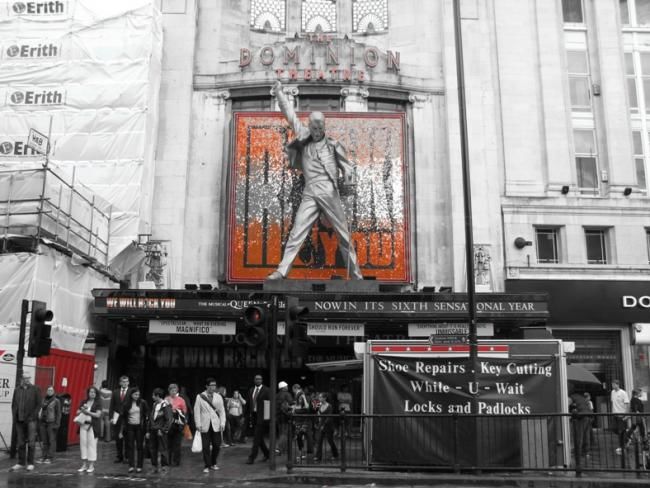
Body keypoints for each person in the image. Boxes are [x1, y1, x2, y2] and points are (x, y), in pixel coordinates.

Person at [267, 79, 363, 281]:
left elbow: (346, 166)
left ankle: (355, 274)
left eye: (319, 127)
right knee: (297, 231)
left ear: (323, 127)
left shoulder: (333, 145)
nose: (316, 130)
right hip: (310, 191)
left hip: (328, 191)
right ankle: (282, 271)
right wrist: (279, 93)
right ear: (309, 126)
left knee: (343, 233)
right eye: (313, 126)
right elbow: (289, 114)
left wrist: (348, 175)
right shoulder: (303, 136)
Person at [194, 377, 226, 473]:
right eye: (211, 385)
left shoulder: (218, 397)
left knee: (217, 445)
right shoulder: (199, 397)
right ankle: (207, 465)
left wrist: (223, 422)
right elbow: (197, 411)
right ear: (207, 386)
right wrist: (198, 424)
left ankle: (213, 462)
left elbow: (222, 411)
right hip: (204, 424)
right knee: (206, 446)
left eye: (214, 385)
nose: (213, 387)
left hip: (216, 424)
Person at [10, 372, 41, 471]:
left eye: (28, 378)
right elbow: (14, 404)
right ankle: (21, 463)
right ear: (22, 379)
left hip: (31, 420)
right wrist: (14, 415)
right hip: (19, 419)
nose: (27, 380)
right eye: (25, 378)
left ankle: (31, 463)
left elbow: (39, 404)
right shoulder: (17, 390)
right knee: (20, 442)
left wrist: (34, 416)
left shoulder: (35, 389)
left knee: (31, 442)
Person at [122, 387, 149, 473]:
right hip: (130, 426)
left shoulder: (143, 403)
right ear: (131, 395)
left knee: (140, 446)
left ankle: (139, 466)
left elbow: (147, 413)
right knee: (130, 446)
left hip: (139, 427)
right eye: (135, 394)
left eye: (138, 394)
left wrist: (147, 427)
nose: (137, 396)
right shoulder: (127, 404)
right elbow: (123, 416)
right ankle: (131, 465)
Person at [146, 387, 172, 474]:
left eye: (153, 395)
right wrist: (148, 430)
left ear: (157, 396)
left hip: (160, 431)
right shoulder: (154, 405)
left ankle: (164, 466)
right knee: (152, 448)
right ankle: (154, 466)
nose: (152, 397)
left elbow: (169, 420)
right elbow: (151, 418)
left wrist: (163, 430)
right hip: (153, 430)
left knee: (163, 449)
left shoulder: (166, 406)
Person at [76, 386, 102, 474]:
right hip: (83, 425)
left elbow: (98, 415)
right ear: (88, 393)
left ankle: (91, 465)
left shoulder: (98, 403)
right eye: (91, 392)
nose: (92, 394)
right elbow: (77, 412)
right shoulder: (84, 402)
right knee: (83, 445)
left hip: (93, 427)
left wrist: (88, 412)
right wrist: (82, 410)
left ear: (96, 394)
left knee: (92, 445)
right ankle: (84, 464)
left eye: (94, 392)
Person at [246, 374, 270, 464]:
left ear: (262, 380)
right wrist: (246, 415)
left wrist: (267, 418)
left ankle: (252, 457)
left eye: (260, 379)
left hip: (262, 417)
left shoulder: (266, 390)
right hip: (254, 416)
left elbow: (269, 404)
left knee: (256, 438)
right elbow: (248, 403)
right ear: (254, 380)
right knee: (259, 438)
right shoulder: (251, 390)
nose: (258, 380)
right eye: (256, 379)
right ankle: (267, 454)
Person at [109, 375, 134, 463]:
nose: (124, 383)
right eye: (123, 382)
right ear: (120, 383)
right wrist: (111, 417)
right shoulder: (115, 392)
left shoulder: (132, 392)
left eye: (126, 381)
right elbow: (112, 405)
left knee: (127, 438)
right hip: (117, 418)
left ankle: (127, 457)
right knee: (118, 438)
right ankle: (119, 456)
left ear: (128, 382)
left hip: (128, 418)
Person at [37, 385, 61, 464]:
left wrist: (57, 424)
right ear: (46, 391)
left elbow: (58, 414)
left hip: (51, 423)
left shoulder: (56, 401)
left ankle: (50, 457)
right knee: (45, 441)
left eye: (51, 390)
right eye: (48, 390)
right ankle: (44, 456)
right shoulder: (43, 400)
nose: (49, 391)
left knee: (51, 440)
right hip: (43, 423)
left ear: (54, 392)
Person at [165, 383, 187, 466]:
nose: (173, 392)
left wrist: (177, 411)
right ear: (169, 391)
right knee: (168, 444)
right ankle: (168, 460)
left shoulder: (181, 400)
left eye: (175, 390)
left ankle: (176, 461)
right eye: (171, 390)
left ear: (177, 390)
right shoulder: (166, 399)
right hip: (169, 423)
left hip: (178, 423)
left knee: (177, 444)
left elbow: (185, 411)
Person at [314, 392, 339, 462]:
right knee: (319, 441)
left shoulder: (329, 406)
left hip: (328, 426)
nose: (319, 398)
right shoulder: (318, 405)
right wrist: (317, 423)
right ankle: (318, 457)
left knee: (330, 441)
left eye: (321, 397)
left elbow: (329, 417)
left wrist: (323, 425)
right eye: (319, 397)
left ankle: (335, 454)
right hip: (320, 425)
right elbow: (317, 414)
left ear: (325, 398)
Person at [292, 383, 314, 460]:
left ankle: (306, 453)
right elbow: (295, 408)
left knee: (304, 436)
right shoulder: (298, 399)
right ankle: (301, 453)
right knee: (299, 437)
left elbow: (307, 407)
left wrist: (304, 398)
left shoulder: (303, 398)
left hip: (304, 421)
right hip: (299, 421)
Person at [569, 390, 592, 457]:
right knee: (586, 434)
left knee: (580, 434)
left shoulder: (572, 397)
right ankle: (586, 452)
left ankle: (578, 452)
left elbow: (569, 404)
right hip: (589, 416)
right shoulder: (582, 398)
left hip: (582, 416)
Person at [611, 379, 630, 454]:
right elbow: (613, 402)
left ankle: (622, 446)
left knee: (621, 431)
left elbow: (627, 404)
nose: (612, 386)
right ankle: (627, 439)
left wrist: (626, 414)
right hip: (615, 414)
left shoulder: (623, 393)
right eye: (612, 384)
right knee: (614, 429)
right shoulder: (612, 392)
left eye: (613, 384)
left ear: (617, 384)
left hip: (621, 414)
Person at [275, 381, 293, 455]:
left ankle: (284, 449)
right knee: (285, 433)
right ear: (284, 387)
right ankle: (278, 448)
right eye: (286, 386)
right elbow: (291, 403)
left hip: (278, 417)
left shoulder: (276, 395)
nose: (287, 387)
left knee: (281, 433)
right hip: (285, 416)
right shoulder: (287, 394)